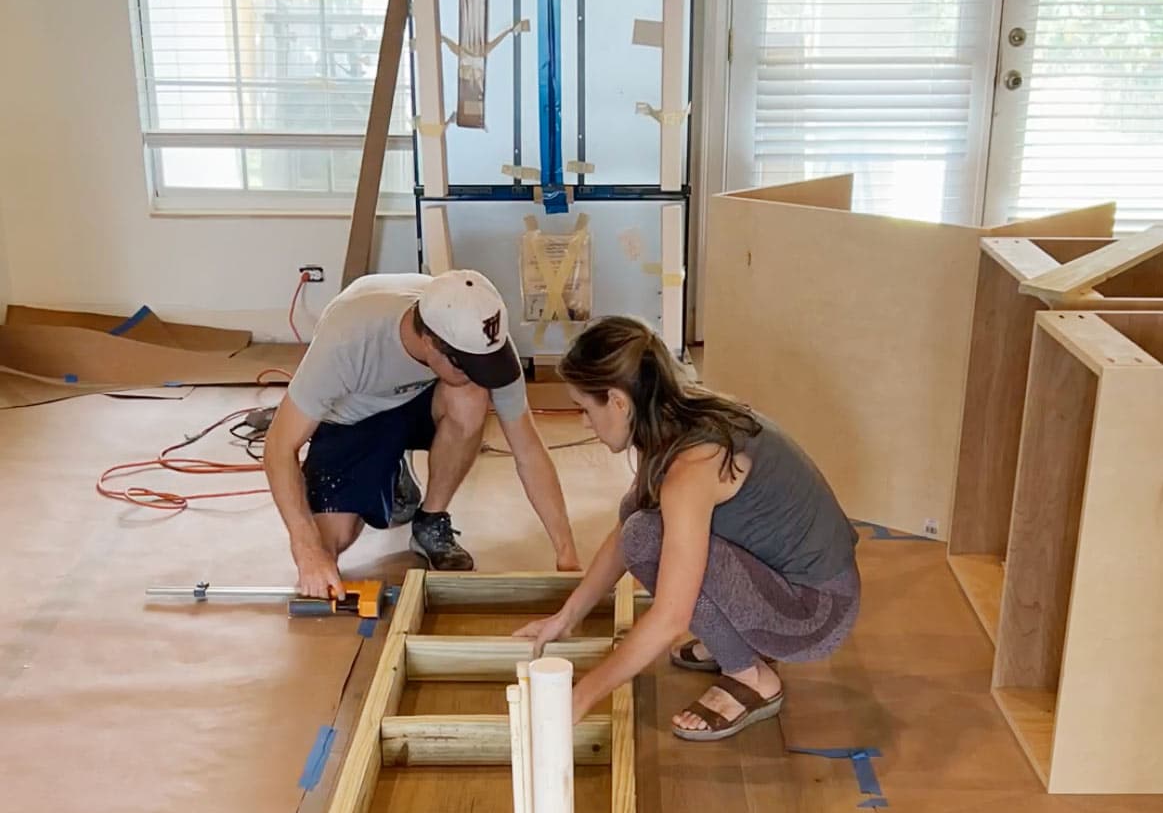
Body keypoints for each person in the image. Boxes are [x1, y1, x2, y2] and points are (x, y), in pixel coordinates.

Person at [515, 316, 860, 741]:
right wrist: (566, 618)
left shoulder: (691, 467)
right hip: (795, 588)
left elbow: (670, 615)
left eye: (586, 409)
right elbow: (626, 529)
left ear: (619, 403)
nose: (585, 423)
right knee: (641, 529)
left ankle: (751, 677)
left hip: (814, 616)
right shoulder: (672, 415)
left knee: (650, 539)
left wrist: (582, 697)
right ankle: (738, 638)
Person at [264, 270, 581, 591]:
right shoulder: (347, 340)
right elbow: (278, 447)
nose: (481, 371)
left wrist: (567, 554)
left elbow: (528, 449)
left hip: (423, 398)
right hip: (354, 417)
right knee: (332, 541)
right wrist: (307, 551)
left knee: (471, 394)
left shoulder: (481, 334)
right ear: (429, 342)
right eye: (466, 364)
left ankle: (430, 518)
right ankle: (391, 468)